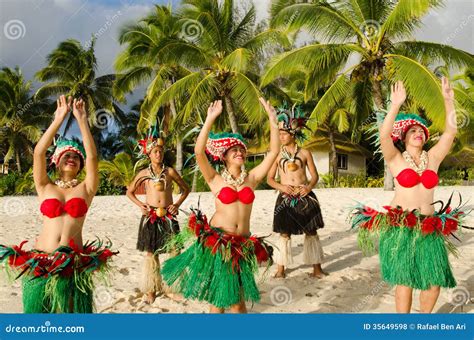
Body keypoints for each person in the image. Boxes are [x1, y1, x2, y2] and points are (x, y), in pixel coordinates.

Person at [349, 78, 469, 313]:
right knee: (405, 282)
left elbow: (450, 132)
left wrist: (448, 101)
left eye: (421, 131)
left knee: (433, 283)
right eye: (412, 131)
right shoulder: (395, 158)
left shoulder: (433, 157)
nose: (418, 134)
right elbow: (384, 137)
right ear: (403, 137)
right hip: (401, 226)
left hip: (430, 226)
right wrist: (395, 105)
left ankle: (424, 323)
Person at [0, 95, 116, 313]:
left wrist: (82, 120)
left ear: (80, 164)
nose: (71, 157)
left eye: (75, 156)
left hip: (73, 265)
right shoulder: (45, 186)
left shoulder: (86, 189)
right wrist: (59, 119)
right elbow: (38, 152)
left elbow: (92, 157)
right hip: (42, 260)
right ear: (56, 161)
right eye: (66, 155)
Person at [161, 98, 279, 313]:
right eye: (233, 150)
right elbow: (198, 152)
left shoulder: (251, 178)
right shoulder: (215, 179)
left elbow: (273, 153)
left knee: (235, 301)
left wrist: (272, 120)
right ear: (223, 157)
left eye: (241, 150)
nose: (239, 153)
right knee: (222, 301)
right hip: (219, 243)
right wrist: (210, 119)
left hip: (241, 244)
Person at [126, 129, 190, 304]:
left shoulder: (169, 172)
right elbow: (129, 192)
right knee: (151, 253)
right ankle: (152, 289)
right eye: (155, 151)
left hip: (168, 215)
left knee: (174, 251)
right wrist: (141, 205)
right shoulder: (143, 174)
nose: (159, 154)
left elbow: (186, 189)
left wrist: (176, 204)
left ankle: (172, 287)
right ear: (149, 154)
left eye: (161, 151)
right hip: (151, 216)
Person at [267, 104, 326, 278]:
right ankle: (280, 270)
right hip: (285, 197)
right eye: (279, 134)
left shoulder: (305, 153)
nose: (281, 137)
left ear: (293, 134)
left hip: (304, 195)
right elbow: (269, 179)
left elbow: (314, 176)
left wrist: (308, 187)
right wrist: (282, 187)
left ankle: (317, 269)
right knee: (284, 233)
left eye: (284, 134)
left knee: (311, 231)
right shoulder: (276, 155)